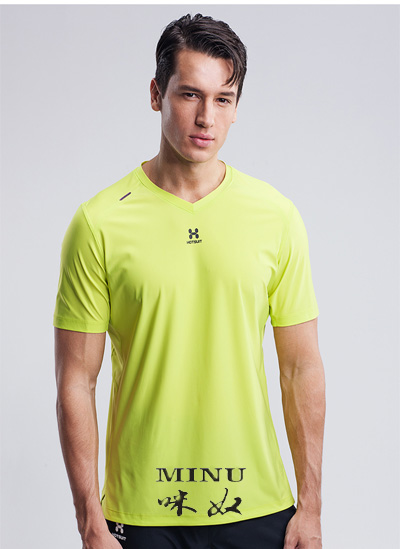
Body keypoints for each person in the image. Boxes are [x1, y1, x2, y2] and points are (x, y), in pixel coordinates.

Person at [53, 13, 325, 549]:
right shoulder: (100, 222)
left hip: (258, 508)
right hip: (141, 515)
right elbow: (75, 381)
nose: (206, 118)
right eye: (190, 95)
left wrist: (311, 506)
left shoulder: (276, 216)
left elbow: (301, 369)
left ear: (237, 107)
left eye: (223, 99)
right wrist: (89, 519)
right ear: (157, 94)